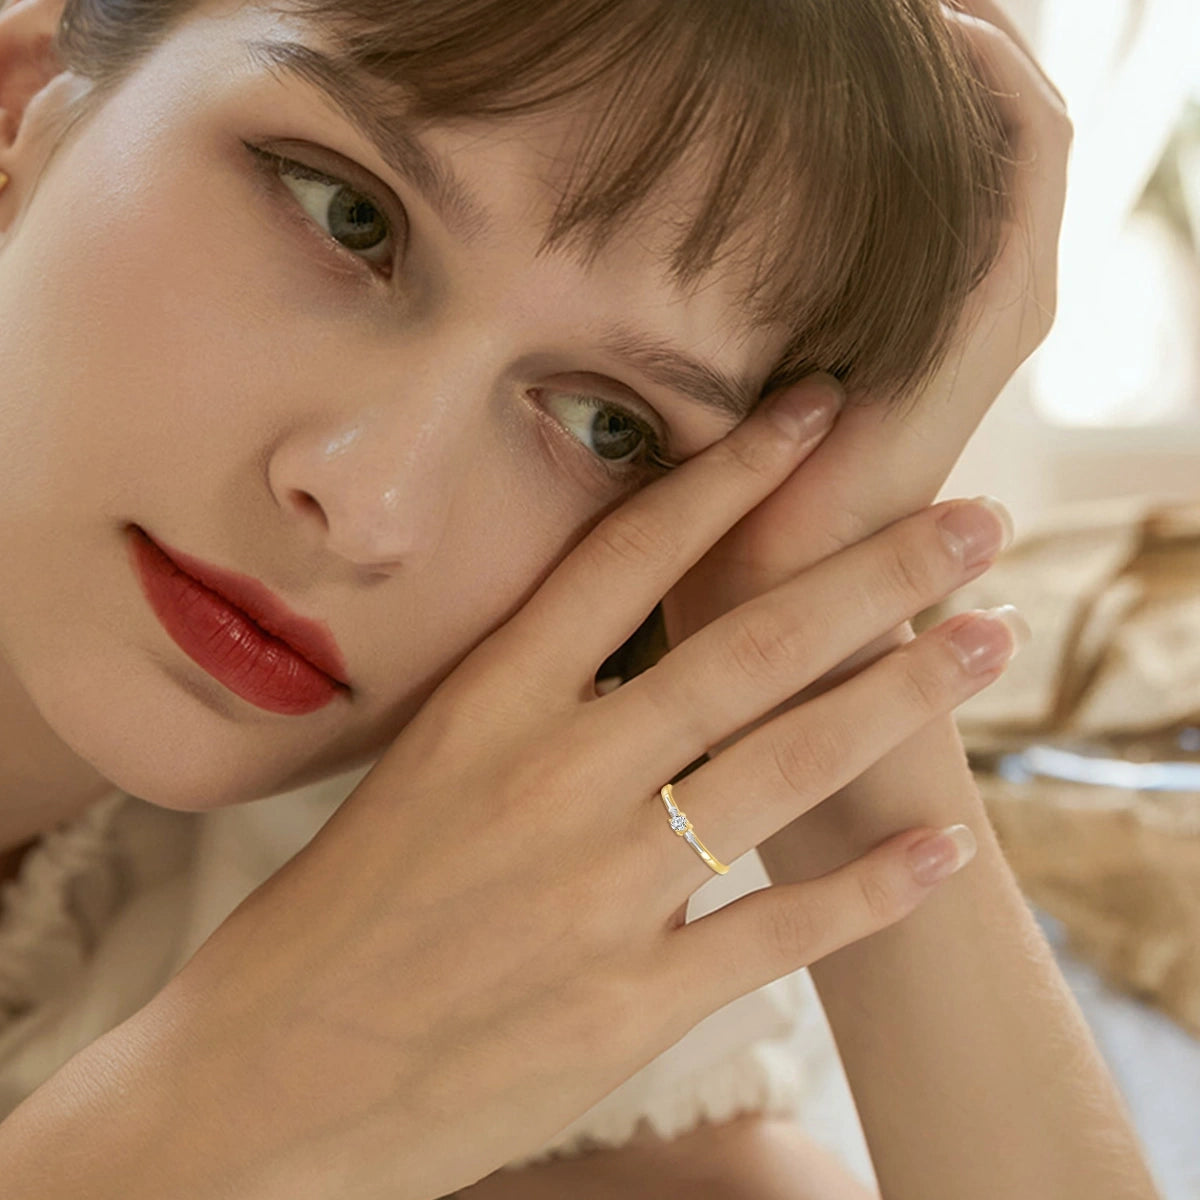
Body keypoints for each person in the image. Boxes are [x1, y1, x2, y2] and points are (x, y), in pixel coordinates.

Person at [0, 0, 1160, 1196]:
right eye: (349, 215)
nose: (373, 505)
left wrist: (826, 672)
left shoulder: (399, 863)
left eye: (608, 425)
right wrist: (221, 1100)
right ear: (24, 96)